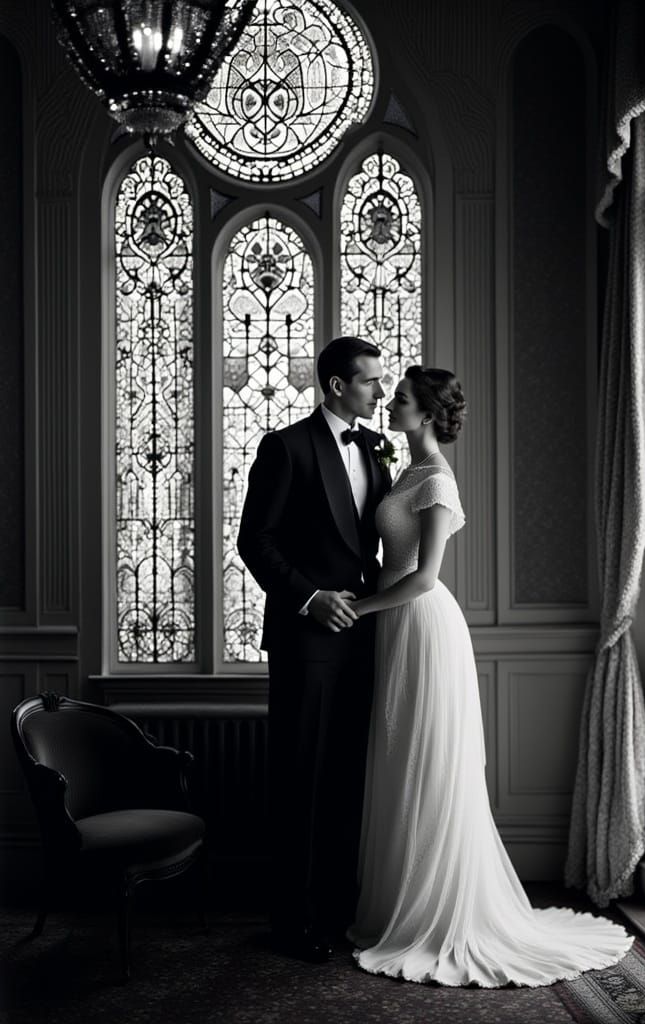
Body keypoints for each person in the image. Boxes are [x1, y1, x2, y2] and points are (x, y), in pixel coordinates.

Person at [346, 365, 634, 987]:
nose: (389, 403)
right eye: (390, 395)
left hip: (421, 623)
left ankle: (439, 910)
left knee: (426, 761)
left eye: (399, 398)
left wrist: (355, 610)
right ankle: (399, 901)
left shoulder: (438, 483)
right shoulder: (406, 469)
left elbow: (423, 577)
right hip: (397, 626)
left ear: (425, 413)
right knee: (400, 760)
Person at [237, 337, 390, 963]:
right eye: (369, 381)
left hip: (367, 635)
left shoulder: (376, 449)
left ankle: (337, 909)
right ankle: (291, 921)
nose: (380, 392)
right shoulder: (285, 447)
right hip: (306, 639)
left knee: (349, 777)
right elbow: (256, 541)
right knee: (300, 775)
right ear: (335, 386)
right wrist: (309, 598)